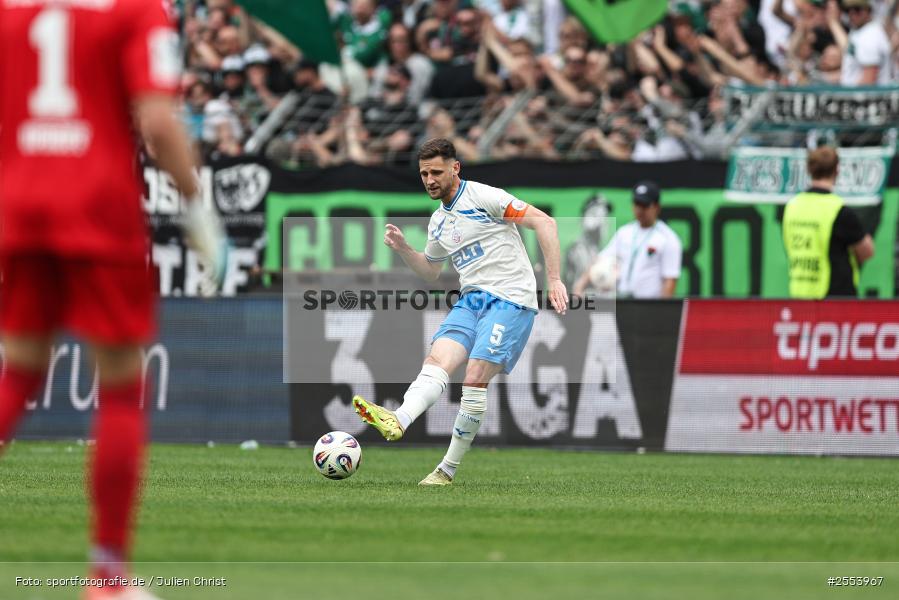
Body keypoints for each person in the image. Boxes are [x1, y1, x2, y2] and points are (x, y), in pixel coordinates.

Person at [0, 1, 226, 598]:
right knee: (123, 385)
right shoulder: (135, 7)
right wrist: (196, 203)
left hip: (19, 203)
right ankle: (107, 577)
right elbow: (156, 122)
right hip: (98, 206)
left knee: (17, 374)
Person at [351, 138, 567, 485]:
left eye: (436, 171)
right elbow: (431, 272)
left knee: (474, 376)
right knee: (437, 362)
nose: (430, 179)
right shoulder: (438, 222)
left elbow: (545, 222)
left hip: (511, 298)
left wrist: (554, 279)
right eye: (424, 173)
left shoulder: (484, 197)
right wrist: (406, 249)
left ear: (456, 168)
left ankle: (447, 469)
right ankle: (400, 419)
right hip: (472, 300)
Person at [782, 147, 874, 298]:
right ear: (837, 170)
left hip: (800, 292)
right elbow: (867, 251)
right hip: (835, 297)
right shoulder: (838, 210)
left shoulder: (792, 206)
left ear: (809, 170)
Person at [574, 181, 682, 299]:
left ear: (657, 207)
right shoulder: (625, 232)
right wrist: (580, 286)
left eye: (645, 205)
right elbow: (601, 259)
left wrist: (661, 310)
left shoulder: (668, 239)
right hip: (623, 302)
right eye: (637, 204)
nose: (640, 209)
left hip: (650, 305)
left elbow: (670, 280)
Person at [840, 0, 893, 85]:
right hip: (856, 94)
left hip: (868, 97)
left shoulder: (870, 36)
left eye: (857, 9)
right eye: (848, 10)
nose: (852, 14)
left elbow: (869, 80)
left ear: (869, 10)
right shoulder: (860, 30)